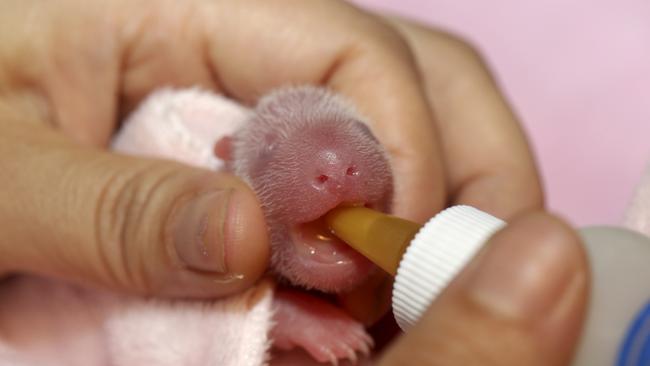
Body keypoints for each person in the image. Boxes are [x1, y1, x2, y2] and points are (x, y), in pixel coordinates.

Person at [0, 0, 588, 364]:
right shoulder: (196, 178)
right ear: (228, 164)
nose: (338, 165)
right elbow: (212, 313)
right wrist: (293, 319)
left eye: (358, 133)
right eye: (274, 150)